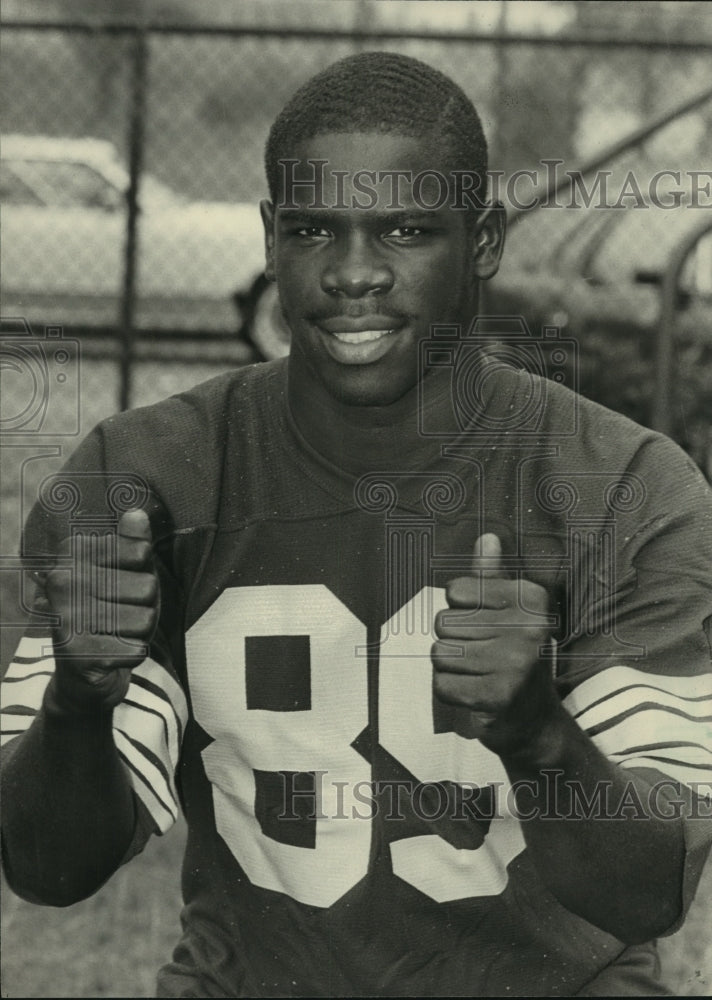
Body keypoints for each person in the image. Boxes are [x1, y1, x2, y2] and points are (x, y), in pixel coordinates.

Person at [1, 52, 711, 998]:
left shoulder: (620, 485)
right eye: (312, 230)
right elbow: (49, 871)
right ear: (269, 238)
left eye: (407, 231)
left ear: (485, 238)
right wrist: (79, 703)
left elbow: (651, 890)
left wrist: (541, 734)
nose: (354, 274)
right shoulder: (141, 480)